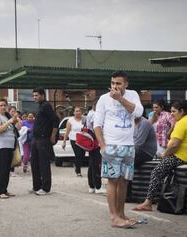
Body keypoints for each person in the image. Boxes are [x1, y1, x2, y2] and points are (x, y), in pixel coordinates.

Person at [94, 70, 144, 228]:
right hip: (112, 145)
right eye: (112, 83)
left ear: (126, 84)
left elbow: (139, 113)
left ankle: (122, 214)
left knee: (124, 182)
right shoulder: (103, 99)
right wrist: (102, 145)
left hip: (129, 145)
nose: (114, 86)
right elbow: (97, 125)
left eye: (118, 83)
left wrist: (120, 99)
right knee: (113, 181)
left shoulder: (132, 94)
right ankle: (114, 217)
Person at [133, 101, 187, 212]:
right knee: (164, 174)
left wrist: (165, 155)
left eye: (174, 111)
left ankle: (148, 202)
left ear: (182, 111)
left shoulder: (182, 123)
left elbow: (174, 144)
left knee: (156, 172)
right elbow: (170, 136)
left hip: (179, 157)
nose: (171, 114)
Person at [31, 88, 59, 195]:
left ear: (43, 95)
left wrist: (53, 135)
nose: (35, 97)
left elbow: (55, 120)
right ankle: (36, 186)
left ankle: (45, 188)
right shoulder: (39, 107)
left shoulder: (46, 105)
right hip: (35, 138)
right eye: (33, 96)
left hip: (43, 139)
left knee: (43, 164)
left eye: (37, 95)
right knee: (34, 164)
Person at [0, 99, 19, 199]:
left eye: (4, 105)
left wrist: (16, 119)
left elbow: (18, 128)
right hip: (1, 146)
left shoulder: (7, 115)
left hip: (10, 145)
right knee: (2, 169)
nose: (3, 107)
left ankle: (5, 190)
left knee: (7, 169)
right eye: (1, 105)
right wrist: (8, 122)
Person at [86, 101, 106, 194]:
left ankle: (92, 186)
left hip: (92, 140)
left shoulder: (90, 113)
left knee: (92, 164)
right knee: (96, 164)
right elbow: (96, 128)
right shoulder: (95, 114)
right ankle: (97, 186)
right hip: (96, 141)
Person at [62, 106, 85, 177]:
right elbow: (67, 131)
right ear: (74, 112)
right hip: (74, 140)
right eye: (76, 111)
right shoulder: (70, 120)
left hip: (83, 140)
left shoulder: (84, 119)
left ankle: (76, 165)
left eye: (79, 111)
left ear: (81, 112)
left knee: (82, 155)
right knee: (78, 154)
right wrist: (64, 141)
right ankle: (78, 171)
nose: (78, 112)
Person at [8, 106, 22, 177]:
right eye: (12, 111)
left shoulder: (17, 119)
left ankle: (12, 170)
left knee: (14, 153)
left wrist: (18, 120)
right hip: (7, 139)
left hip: (15, 137)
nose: (13, 113)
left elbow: (19, 128)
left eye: (14, 111)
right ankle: (8, 170)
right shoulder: (7, 118)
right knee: (8, 154)